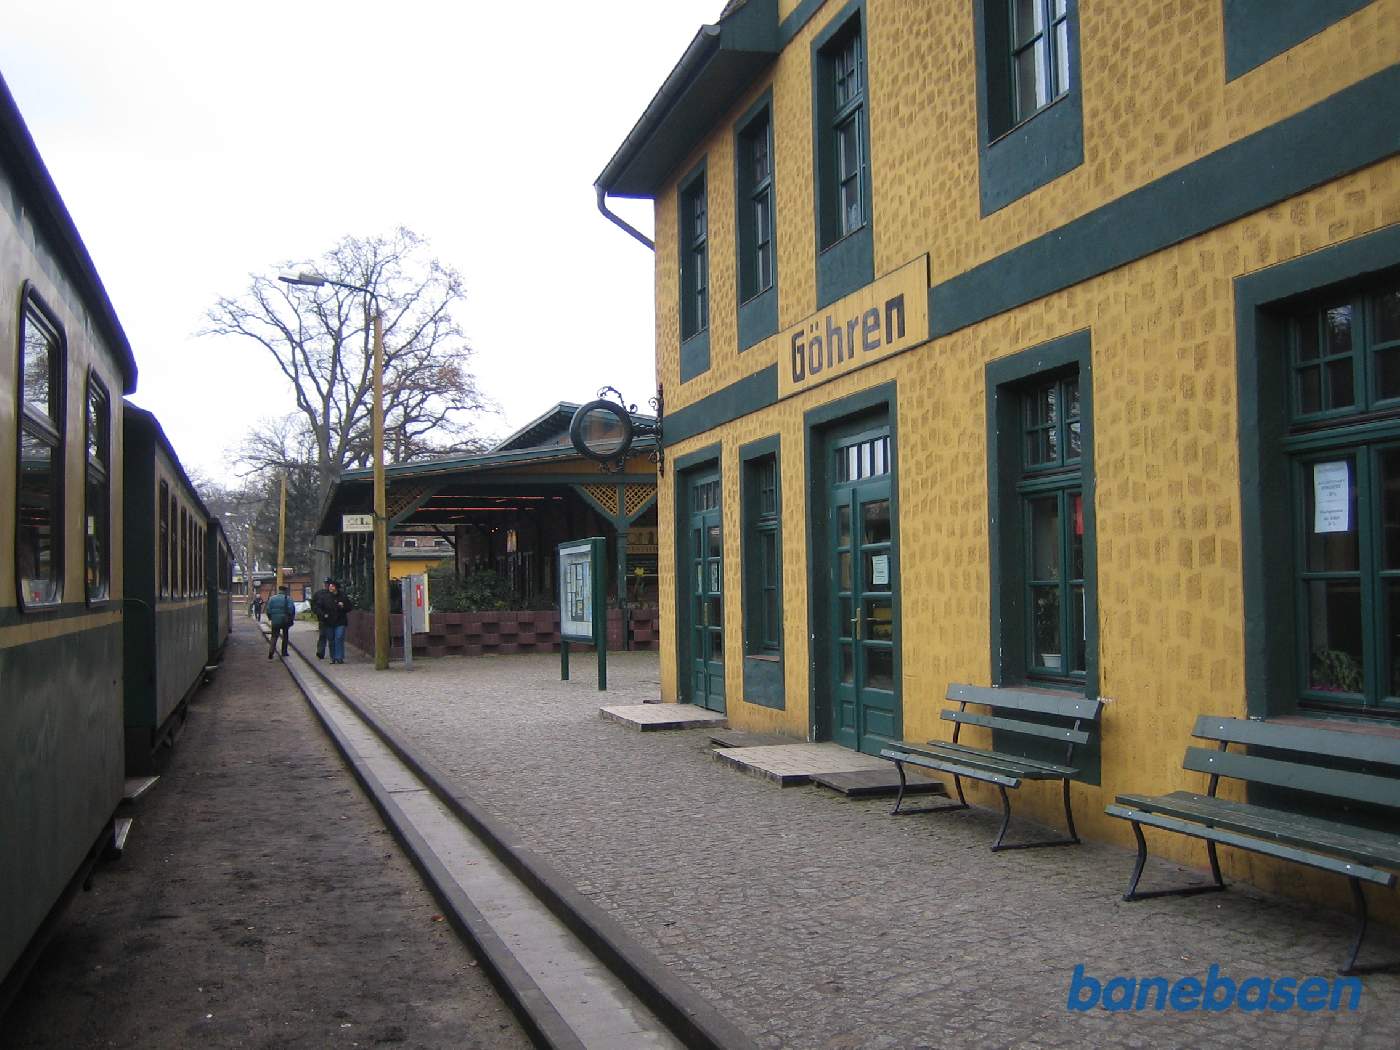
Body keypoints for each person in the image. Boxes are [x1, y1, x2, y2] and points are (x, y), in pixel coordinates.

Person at [326, 581, 354, 664]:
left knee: (339, 637)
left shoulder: (343, 596)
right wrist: (323, 615)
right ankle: (333, 657)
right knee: (331, 639)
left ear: (336, 587)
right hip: (329, 621)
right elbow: (320, 607)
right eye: (330, 586)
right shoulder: (326, 597)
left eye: (332, 586)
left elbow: (349, 607)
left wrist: (343, 606)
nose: (330, 587)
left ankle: (339, 657)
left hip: (340, 621)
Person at [265, 585, 296, 659]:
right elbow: (291, 609)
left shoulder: (272, 598)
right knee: (285, 636)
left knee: (274, 636)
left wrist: (271, 618)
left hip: (275, 620)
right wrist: (291, 618)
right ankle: (284, 652)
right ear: (285, 591)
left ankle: (271, 652)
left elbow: (268, 610)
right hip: (285, 620)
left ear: (279, 590)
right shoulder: (288, 599)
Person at [311, 577, 336, 659]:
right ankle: (320, 652)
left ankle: (331, 653)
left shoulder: (334, 593)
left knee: (329, 636)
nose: (326, 585)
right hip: (323, 618)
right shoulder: (319, 594)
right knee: (323, 635)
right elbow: (314, 606)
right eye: (326, 584)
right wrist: (321, 614)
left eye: (328, 584)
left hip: (332, 618)